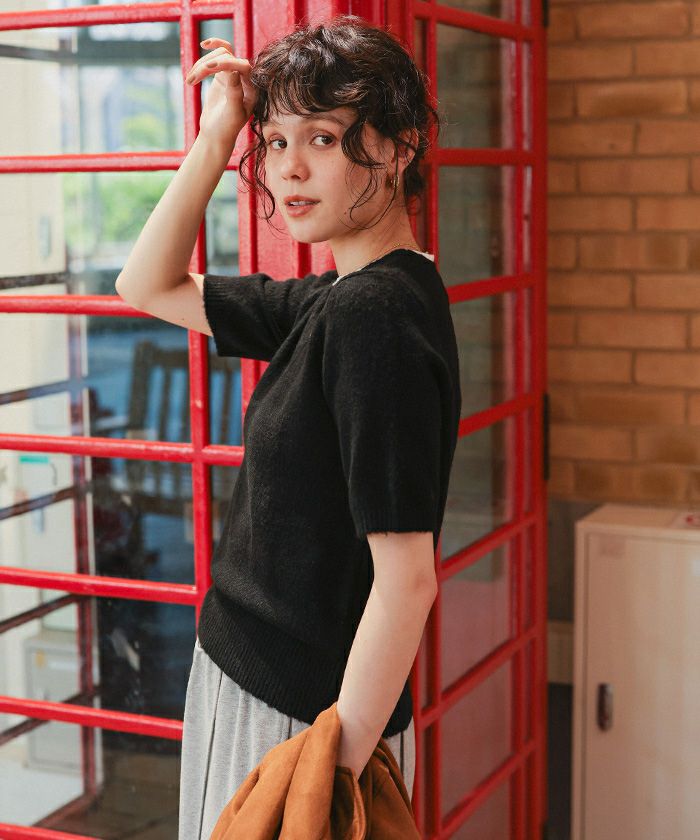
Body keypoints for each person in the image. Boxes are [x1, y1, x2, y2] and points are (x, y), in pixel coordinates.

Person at [115, 14, 461, 839]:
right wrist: (219, 134)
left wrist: (325, 782)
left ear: (400, 148)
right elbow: (147, 283)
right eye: (274, 141)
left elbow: (408, 581)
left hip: (298, 722)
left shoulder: (373, 317)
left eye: (324, 138)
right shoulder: (340, 300)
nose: (289, 168)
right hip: (267, 695)